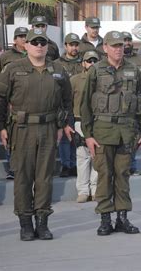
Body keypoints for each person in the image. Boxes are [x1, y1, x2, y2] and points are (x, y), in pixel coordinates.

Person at [0, 28, 72, 241]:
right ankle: (25, 224)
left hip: (48, 129)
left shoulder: (58, 69)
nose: (39, 46)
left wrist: (62, 125)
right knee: (23, 177)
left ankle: (42, 222)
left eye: (43, 42)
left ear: (47, 45)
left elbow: (67, 100)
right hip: (21, 129)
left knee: (44, 178)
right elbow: (0, 99)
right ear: (26, 45)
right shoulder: (13, 69)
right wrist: (1, 127)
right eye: (35, 42)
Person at [80, 31, 141, 235]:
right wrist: (88, 135)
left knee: (123, 175)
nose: (118, 49)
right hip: (102, 131)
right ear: (105, 48)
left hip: (127, 132)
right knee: (105, 175)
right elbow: (84, 105)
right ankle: (104, 219)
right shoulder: (96, 70)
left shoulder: (134, 70)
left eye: (120, 45)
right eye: (114, 45)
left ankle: (122, 218)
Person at [0, 27, 28, 180]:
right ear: (15, 40)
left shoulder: (32, 54)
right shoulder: (6, 57)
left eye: (25, 36)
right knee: (11, 136)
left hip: (27, 102)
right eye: (20, 36)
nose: (23, 39)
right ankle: (12, 167)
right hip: (10, 102)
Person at [71, 50, 100, 203]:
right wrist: (66, 124)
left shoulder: (103, 79)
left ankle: (95, 189)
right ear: (83, 63)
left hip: (98, 121)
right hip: (79, 121)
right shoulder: (75, 80)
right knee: (82, 157)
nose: (92, 63)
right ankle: (83, 190)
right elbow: (67, 102)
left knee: (97, 156)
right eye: (89, 61)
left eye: (95, 60)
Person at [122, 31, 141, 176]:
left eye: (129, 40)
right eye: (124, 40)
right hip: (120, 106)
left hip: (136, 105)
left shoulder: (140, 60)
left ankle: (132, 166)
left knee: (134, 136)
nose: (127, 43)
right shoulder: (114, 60)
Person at [56, 33, 83, 178]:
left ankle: (74, 165)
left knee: (76, 137)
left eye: (76, 44)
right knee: (65, 138)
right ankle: (65, 165)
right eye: (71, 45)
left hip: (78, 105)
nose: (74, 47)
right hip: (63, 104)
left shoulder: (83, 62)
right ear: (65, 46)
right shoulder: (58, 64)